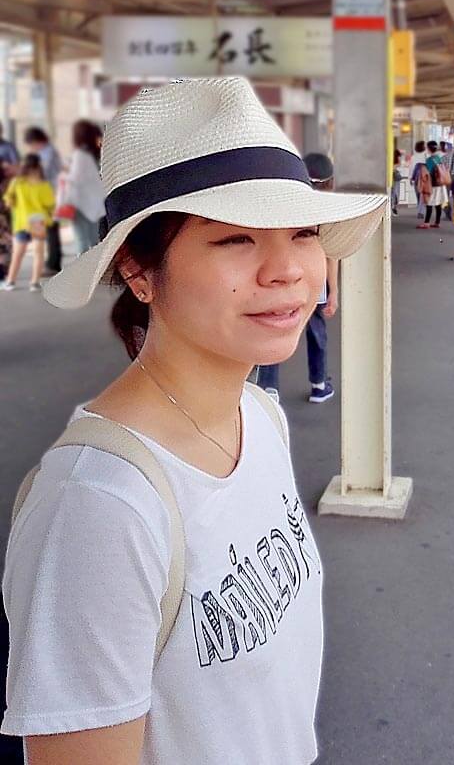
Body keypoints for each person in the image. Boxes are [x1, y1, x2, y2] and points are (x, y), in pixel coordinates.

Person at [2, 77, 385, 764]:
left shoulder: (259, 415)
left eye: (302, 232)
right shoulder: (99, 506)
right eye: (235, 238)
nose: (287, 270)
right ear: (139, 271)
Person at [256, 152, 340, 404]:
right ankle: (319, 384)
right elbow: (331, 256)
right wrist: (334, 292)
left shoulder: (284, 207)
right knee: (317, 333)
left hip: (282, 282)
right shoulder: (326, 212)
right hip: (315, 285)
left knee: (273, 330)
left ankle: (268, 388)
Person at [2, 152, 55, 291]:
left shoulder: (17, 182)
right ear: (38, 166)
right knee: (38, 252)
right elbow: (50, 204)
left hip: (22, 222)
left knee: (18, 253)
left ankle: (10, 281)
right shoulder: (43, 184)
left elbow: (8, 199)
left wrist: (11, 203)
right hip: (38, 221)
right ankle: (34, 283)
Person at [23, 125, 62, 274]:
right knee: (50, 229)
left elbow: (43, 173)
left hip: (50, 194)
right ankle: (52, 262)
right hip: (48, 194)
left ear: (37, 141)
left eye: (32, 144)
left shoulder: (48, 152)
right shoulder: (47, 151)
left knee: (51, 230)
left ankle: (53, 264)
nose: (32, 147)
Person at [63, 119, 106, 254]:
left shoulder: (80, 155)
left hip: (80, 203)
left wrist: (64, 176)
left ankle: (83, 266)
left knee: (82, 240)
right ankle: (95, 265)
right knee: (94, 240)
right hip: (95, 202)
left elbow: (76, 179)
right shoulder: (98, 153)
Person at [0, 124, 18, 282]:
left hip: (6, 192)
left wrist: (6, 168)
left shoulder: (8, 147)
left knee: (5, 232)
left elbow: (16, 169)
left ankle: (5, 267)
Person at [423, 139, 447, 229]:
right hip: (440, 184)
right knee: (438, 203)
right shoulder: (438, 158)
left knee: (429, 203)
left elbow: (428, 173)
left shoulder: (429, 160)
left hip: (432, 185)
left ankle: (426, 222)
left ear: (429, 149)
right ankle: (437, 222)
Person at [409, 139, 428, 221]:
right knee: (422, 195)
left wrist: (410, 178)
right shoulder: (426, 156)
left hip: (416, 178)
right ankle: (421, 210)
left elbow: (411, 168)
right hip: (424, 178)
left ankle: (420, 210)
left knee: (418, 194)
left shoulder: (414, 157)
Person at [440, 142, 454, 221]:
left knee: (446, 196)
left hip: (447, 177)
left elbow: (441, 167)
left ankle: (448, 214)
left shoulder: (444, 157)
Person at [391, 148, 402, 215]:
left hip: (392, 177)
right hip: (395, 177)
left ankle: (393, 206)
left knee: (392, 192)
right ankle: (393, 207)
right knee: (396, 193)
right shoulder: (397, 162)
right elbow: (399, 164)